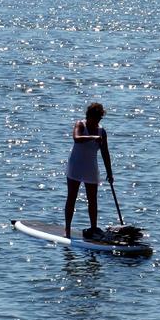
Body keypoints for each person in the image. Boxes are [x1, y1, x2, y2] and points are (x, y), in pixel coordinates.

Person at [64, 102, 114, 240]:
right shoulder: (80, 125)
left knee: (92, 200)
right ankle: (67, 229)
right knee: (72, 197)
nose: (97, 122)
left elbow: (105, 153)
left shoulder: (102, 132)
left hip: (91, 167)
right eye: (95, 119)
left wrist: (109, 172)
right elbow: (76, 138)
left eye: (99, 119)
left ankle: (93, 229)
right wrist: (93, 138)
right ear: (89, 116)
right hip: (76, 166)